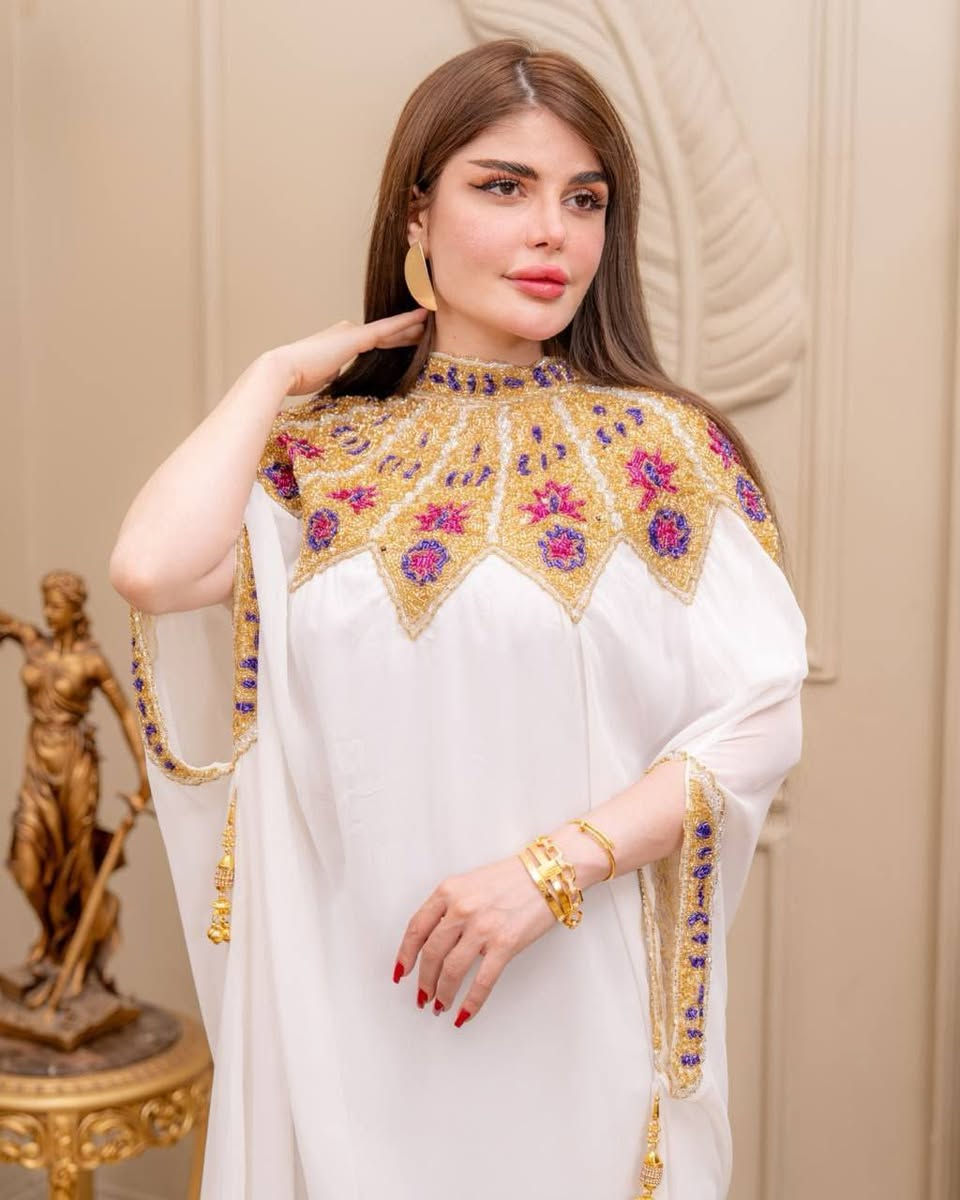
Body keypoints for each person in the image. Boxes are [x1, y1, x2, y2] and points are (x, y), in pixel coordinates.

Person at [109, 37, 808, 1200]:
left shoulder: (660, 452)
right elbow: (149, 567)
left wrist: (546, 874)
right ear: (416, 213)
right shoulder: (321, 461)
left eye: (584, 200)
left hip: (567, 999)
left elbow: (760, 719)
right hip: (353, 1015)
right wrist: (274, 376)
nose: (552, 233)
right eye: (504, 187)